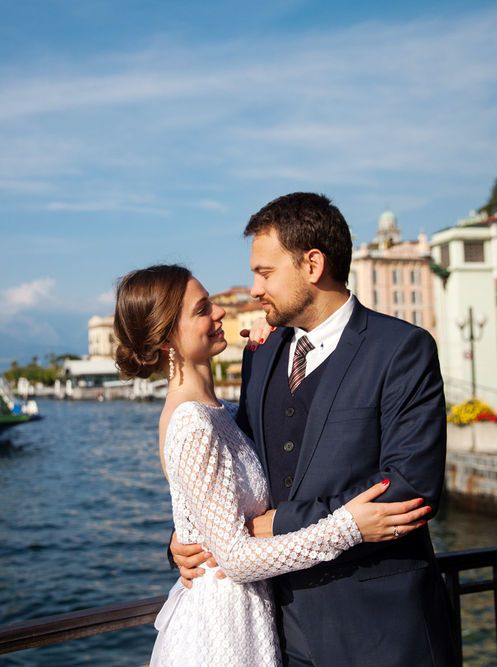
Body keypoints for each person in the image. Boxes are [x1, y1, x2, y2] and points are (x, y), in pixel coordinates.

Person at [172, 193, 457, 666]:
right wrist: (187, 542)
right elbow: (235, 469)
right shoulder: (259, 354)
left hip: (381, 633)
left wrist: (278, 525)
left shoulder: (401, 349)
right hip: (276, 634)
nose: (253, 290)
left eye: (264, 272)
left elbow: (411, 488)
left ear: (312, 264)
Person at [113, 264, 432, 667]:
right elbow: (235, 558)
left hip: (257, 617)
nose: (220, 313)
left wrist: (279, 342)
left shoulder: (223, 413)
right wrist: (347, 527)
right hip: (222, 630)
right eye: (202, 310)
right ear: (165, 340)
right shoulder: (192, 422)